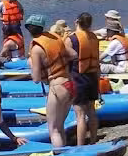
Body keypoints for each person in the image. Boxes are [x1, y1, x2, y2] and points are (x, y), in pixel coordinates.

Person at [26, 14, 77, 148]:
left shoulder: (36, 49)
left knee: (53, 129)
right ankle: (64, 152)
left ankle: (59, 155)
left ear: (29, 29)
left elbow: (36, 79)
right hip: (70, 83)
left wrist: (33, 65)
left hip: (57, 87)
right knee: (60, 126)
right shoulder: (55, 38)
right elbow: (73, 54)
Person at [64, 12, 100, 146]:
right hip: (92, 77)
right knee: (91, 111)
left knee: (80, 115)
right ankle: (93, 140)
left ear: (76, 22)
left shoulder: (71, 39)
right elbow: (97, 62)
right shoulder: (94, 37)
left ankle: (80, 146)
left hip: (78, 78)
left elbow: (64, 60)